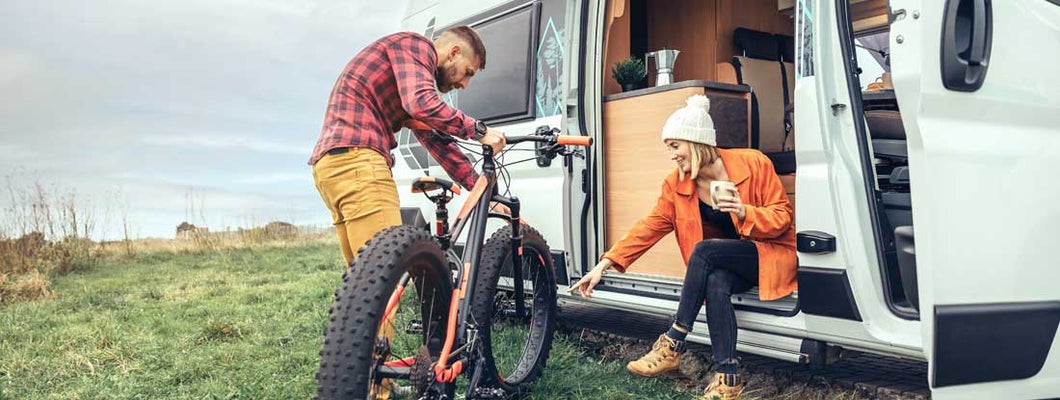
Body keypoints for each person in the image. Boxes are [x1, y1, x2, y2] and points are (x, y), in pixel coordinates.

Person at [568, 95, 797, 400]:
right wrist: (603, 265)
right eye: (669, 148)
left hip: (769, 254)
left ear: (697, 141)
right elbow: (648, 228)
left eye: (675, 146)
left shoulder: (753, 162)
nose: (672, 155)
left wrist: (744, 211)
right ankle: (728, 380)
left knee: (704, 250)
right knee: (716, 282)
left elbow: (782, 217)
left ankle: (673, 341)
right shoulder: (676, 185)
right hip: (729, 262)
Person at [309, 26, 507, 265]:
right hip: (359, 163)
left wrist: (482, 191)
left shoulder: (408, 78)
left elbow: (437, 142)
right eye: (467, 72)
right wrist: (478, 130)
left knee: (363, 282)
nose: (464, 84)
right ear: (453, 53)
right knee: (384, 273)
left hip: (330, 168)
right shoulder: (416, 45)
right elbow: (421, 103)